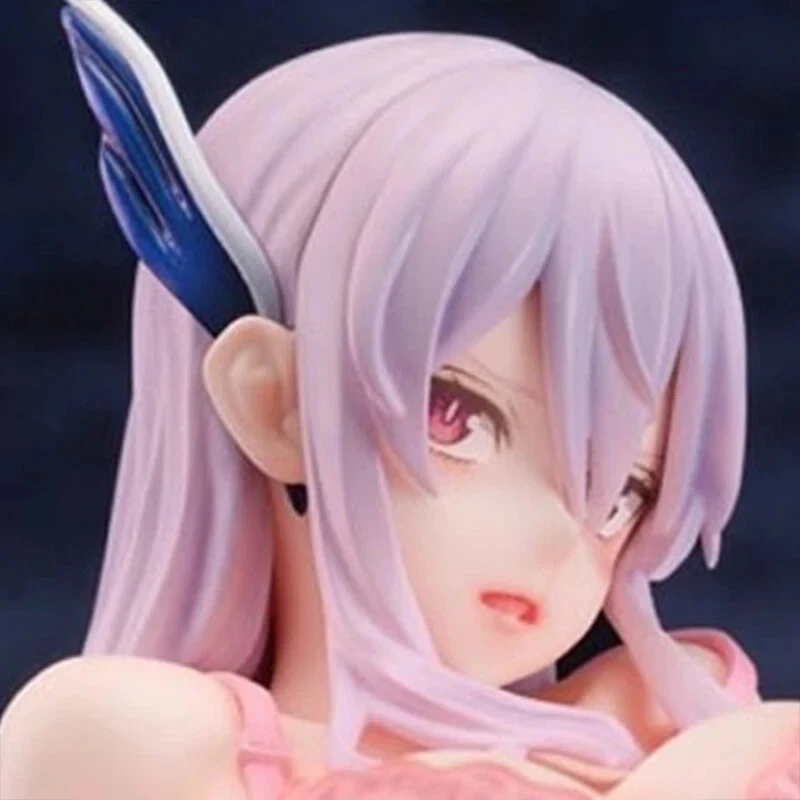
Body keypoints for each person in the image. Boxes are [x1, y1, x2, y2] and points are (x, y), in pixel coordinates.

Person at [1, 1, 797, 798]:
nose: (557, 536)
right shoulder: (135, 736)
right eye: (456, 416)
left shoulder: (648, 714)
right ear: (273, 401)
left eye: (623, 493)